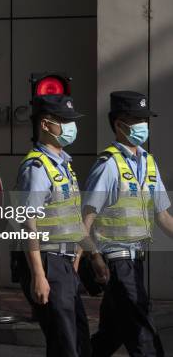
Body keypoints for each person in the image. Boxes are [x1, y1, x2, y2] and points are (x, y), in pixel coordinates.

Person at [83, 91, 173, 357]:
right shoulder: (108, 166)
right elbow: (84, 220)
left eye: (145, 119)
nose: (144, 125)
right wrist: (94, 258)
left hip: (135, 263)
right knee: (143, 333)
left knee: (112, 334)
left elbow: (164, 216)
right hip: (116, 262)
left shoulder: (149, 163)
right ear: (119, 123)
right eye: (137, 119)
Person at [15, 94, 90, 357]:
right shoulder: (36, 167)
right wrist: (38, 274)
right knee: (64, 344)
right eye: (64, 121)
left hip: (65, 263)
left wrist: (77, 259)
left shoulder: (64, 165)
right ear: (45, 125)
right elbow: (27, 224)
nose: (71, 126)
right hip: (48, 261)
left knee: (78, 341)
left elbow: (71, 217)